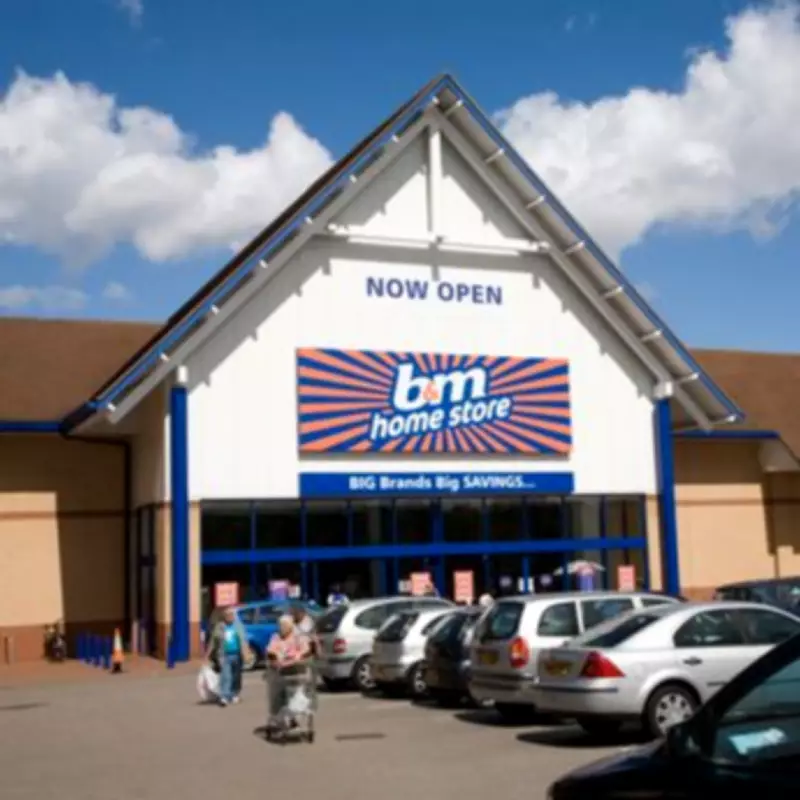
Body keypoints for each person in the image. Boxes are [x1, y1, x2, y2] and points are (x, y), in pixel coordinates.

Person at [205, 606, 251, 707]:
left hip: (237, 654)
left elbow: (244, 640)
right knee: (225, 676)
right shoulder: (219, 626)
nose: (230, 617)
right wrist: (207, 654)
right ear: (224, 616)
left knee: (236, 676)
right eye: (228, 615)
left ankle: (234, 694)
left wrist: (246, 653)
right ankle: (224, 696)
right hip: (224, 655)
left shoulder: (238, 625)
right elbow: (213, 641)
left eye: (231, 615)